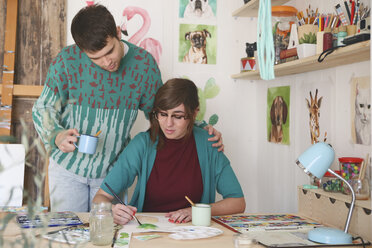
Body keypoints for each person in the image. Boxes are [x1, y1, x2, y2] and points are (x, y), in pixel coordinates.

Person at [32, 4, 223, 212]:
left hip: (112, 173)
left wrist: (199, 129)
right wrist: (56, 135)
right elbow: (43, 107)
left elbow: (161, 112)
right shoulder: (67, 60)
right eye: (95, 58)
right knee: (69, 237)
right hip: (66, 169)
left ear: (117, 32)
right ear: (81, 50)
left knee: (110, 237)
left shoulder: (145, 66)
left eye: (110, 51)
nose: (106, 62)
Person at [93, 78, 245, 224]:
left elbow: (237, 202)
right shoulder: (142, 143)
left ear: (194, 113)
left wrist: (195, 211)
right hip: (148, 230)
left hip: (193, 233)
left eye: (178, 116)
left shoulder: (209, 143)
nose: (168, 124)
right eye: (163, 114)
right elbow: (100, 197)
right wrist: (111, 210)